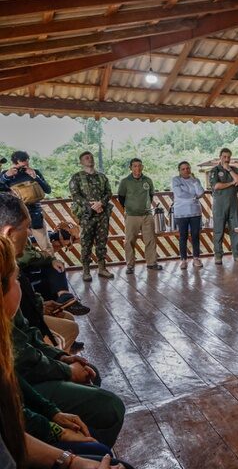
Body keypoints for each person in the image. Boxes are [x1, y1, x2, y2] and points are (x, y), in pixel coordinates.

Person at [0, 193, 125, 448]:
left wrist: (61, 358)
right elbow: (20, 360)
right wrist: (66, 371)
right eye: (27, 229)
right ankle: (89, 451)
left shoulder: (8, 268)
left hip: (23, 378)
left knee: (91, 374)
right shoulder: (7, 273)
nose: (31, 234)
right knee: (110, 407)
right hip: (21, 384)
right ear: (9, 232)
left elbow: (26, 334)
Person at [68, 151, 113, 282]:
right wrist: (90, 205)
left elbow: (108, 192)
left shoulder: (102, 177)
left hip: (102, 214)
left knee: (102, 241)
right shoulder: (76, 177)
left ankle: (102, 268)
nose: (90, 159)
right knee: (86, 242)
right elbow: (75, 195)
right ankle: (86, 271)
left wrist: (101, 203)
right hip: (86, 215)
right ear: (81, 162)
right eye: (86, 158)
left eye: (91, 157)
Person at [0, 151, 53, 255]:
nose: (26, 162)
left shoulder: (35, 172)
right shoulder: (6, 174)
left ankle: (52, 265)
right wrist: (6, 176)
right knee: (15, 247)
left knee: (45, 245)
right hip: (16, 216)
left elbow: (47, 190)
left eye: (27, 160)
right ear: (15, 162)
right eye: (22, 160)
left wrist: (35, 177)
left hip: (35, 213)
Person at [117, 158, 162, 274]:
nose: (137, 168)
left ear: (142, 167)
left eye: (139, 166)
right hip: (132, 216)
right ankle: (130, 265)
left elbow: (151, 195)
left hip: (147, 215)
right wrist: (130, 208)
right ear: (130, 168)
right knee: (129, 241)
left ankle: (151, 263)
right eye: (134, 166)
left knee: (150, 239)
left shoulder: (148, 180)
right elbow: (121, 198)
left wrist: (144, 206)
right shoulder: (125, 181)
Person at [209, 148, 238, 265]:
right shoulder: (214, 170)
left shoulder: (234, 169)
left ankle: (237, 253)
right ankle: (218, 255)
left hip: (233, 203)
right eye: (224, 157)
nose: (227, 159)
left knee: (236, 229)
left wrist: (229, 170)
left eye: (228, 157)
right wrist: (231, 183)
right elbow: (216, 186)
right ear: (220, 157)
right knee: (218, 230)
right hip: (219, 204)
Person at [171, 161, 205, 270]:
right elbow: (179, 194)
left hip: (195, 211)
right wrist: (194, 197)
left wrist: (195, 182)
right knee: (183, 236)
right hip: (181, 212)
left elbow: (201, 193)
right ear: (179, 171)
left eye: (188, 168)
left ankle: (196, 258)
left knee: (195, 235)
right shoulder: (176, 180)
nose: (186, 170)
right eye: (183, 169)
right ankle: (183, 260)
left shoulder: (195, 180)